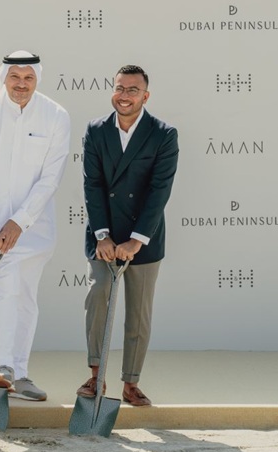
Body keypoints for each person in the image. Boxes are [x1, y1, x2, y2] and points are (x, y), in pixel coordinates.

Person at [0, 51, 70, 401]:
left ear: (37, 79)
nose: (21, 85)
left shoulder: (56, 115)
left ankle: (18, 373)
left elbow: (50, 178)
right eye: (15, 77)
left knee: (24, 300)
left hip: (33, 230)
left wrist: (20, 221)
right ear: (4, 77)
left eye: (28, 78)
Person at [77, 65, 178, 407]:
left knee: (138, 313)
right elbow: (92, 184)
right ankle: (96, 376)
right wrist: (103, 236)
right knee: (98, 296)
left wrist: (136, 239)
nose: (124, 95)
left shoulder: (163, 134)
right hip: (103, 234)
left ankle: (131, 383)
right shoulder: (96, 130)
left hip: (143, 238)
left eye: (133, 90)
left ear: (145, 96)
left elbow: (159, 190)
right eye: (120, 88)